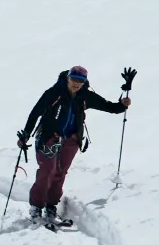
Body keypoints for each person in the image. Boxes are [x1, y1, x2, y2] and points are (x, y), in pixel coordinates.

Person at [18, 65, 129, 226]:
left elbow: (110, 107)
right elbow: (35, 113)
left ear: (84, 82)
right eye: (74, 79)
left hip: (71, 139)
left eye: (81, 81)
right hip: (48, 136)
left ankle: (51, 206)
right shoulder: (54, 93)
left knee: (60, 172)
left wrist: (122, 104)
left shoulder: (85, 96)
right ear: (68, 78)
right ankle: (36, 207)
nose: (77, 83)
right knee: (47, 170)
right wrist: (26, 135)